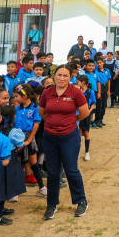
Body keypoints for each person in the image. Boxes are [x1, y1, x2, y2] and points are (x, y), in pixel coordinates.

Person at [38, 66, 91, 220]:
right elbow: (42, 112)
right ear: (55, 76)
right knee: (53, 172)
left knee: (71, 170)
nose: (61, 78)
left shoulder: (75, 92)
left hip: (69, 137)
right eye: (59, 75)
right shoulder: (47, 92)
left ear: (70, 77)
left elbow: (84, 113)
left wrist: (70, 121)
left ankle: (81, 201)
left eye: (65, 76)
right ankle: (51, 205)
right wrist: (53, 122)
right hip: (50, 137)